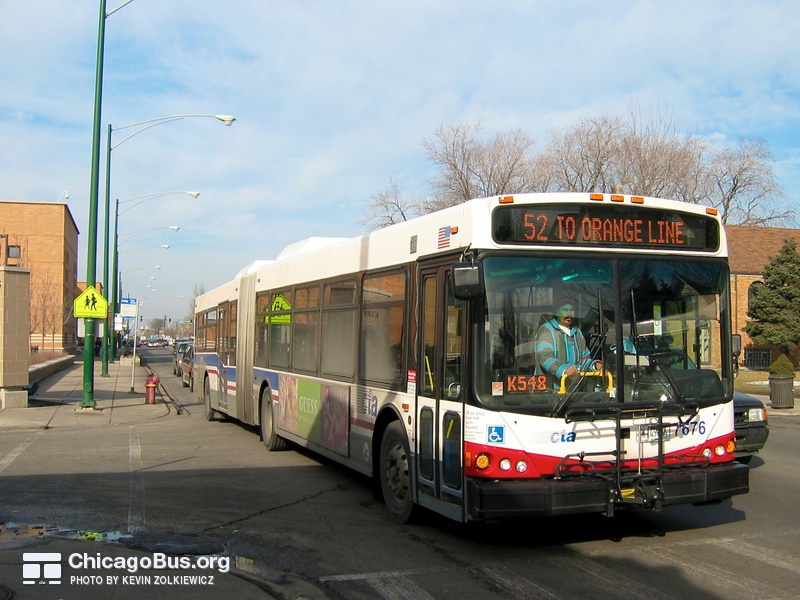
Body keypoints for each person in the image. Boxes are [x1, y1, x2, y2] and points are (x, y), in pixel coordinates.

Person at [535, 296, 602, 390]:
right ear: (557, 312)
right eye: (565, 310)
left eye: (572, 310)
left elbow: (585, 359)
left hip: (574, 391)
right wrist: (563, 370)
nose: (569, 313)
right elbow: (545, 356)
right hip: (550, 391)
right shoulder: (547, 330)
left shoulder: (577, 332)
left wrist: (595, 365)